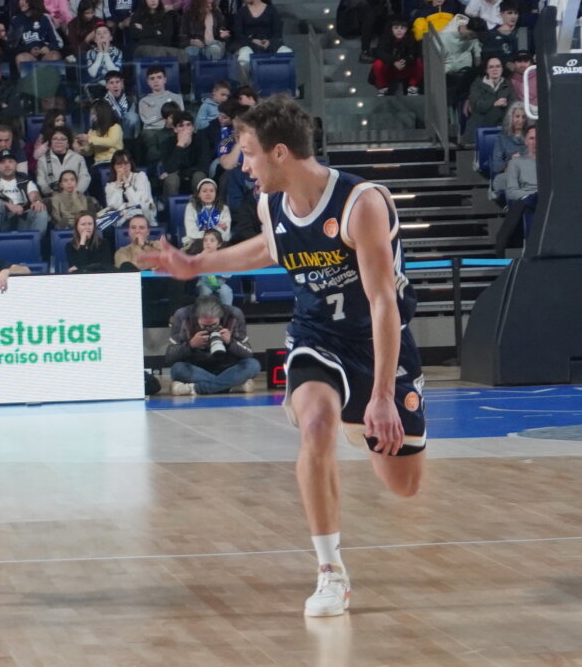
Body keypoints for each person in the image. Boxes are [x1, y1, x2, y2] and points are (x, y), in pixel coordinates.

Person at [144, 95, 427, 617]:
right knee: (314, 425)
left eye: (247, 153)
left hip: (378, 339)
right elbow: (267, 249)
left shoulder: (360, 202)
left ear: (279, 153)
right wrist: (195, 265)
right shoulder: (269, 205)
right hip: (317, 334)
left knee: (403, 486)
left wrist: (384, 396)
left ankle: (362, 410)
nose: (242, 165)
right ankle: (330, 571)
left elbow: (383, 302)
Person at [165, 295, 261, 394]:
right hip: (196, 368)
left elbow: (248, 354)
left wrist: (230, 342)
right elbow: (169, 357)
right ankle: (231, 387)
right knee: (177, 369)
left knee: (253, 365)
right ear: (196, 317)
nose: (209, 329)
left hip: (228, 367)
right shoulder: (182, 315)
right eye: (204, 326)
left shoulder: (234, 314)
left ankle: (192, 389)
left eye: (213, 325)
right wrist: (191, 345)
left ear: (221, 317)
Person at [0, 150, 51, 238]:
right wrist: (10, 206)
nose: (7, 165)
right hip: (2, 220)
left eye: (10, 161)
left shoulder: (26, 181)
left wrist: (37, 201)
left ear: (16, 165)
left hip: (23, 220)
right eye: (2, 162)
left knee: (40, 209)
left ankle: (34, 244)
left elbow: (35, 195)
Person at [494, 124, 538, 254]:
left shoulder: (551, 161)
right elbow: (512, 192)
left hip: (547, 197)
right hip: (528, 199)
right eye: (531, 138)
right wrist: (532, 194)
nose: (535, 142)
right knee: (525, 203)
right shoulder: (516, 163)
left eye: (537, 138)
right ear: (525, 141)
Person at [193, 230, 234, 304]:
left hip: (219, 284)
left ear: (219, 244)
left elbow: (228, 275)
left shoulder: (223, 258)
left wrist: (220, 271)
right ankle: (203, 312)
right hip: (204, 284)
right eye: (205, 240)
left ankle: (227, 311)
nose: (208, 243)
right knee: (204, 291)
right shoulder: (199, 256)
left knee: (226, 290)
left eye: (212, 240)